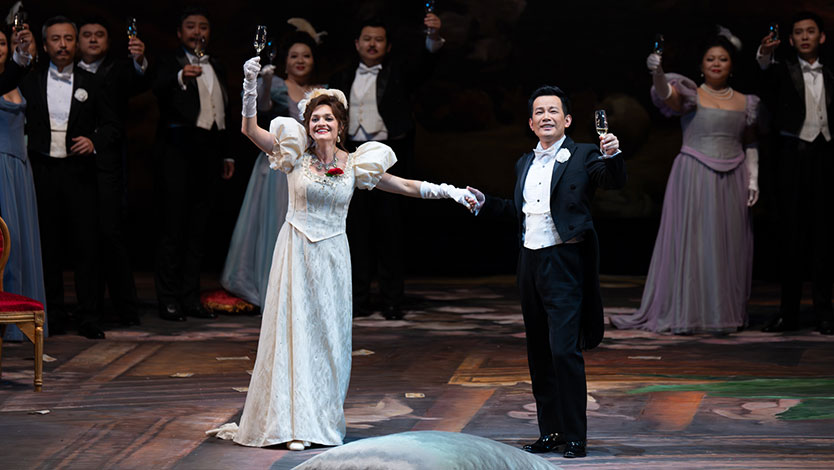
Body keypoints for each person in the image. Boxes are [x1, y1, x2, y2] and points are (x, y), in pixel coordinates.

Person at [223, 57, 474, 451]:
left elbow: (405, 186)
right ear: (308, 125)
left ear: (340, 126)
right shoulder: (294, 155)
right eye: (315, 119)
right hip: (295, 253)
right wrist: (249, 85)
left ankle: (319, 422)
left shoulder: (356, 164)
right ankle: (291, 425)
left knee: (329, 342)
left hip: (333, 259)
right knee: (293, 335)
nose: (321, 123)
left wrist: (451, 192)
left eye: (328, 118)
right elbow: (249, 130)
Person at [467, 86, 625, 458]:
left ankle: (575, 436)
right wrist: (486, 204)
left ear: (567, 120)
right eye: (539, 112)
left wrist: (613, 155)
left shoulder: (583, 154)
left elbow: (612, 180)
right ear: (531, 123)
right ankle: (550, 431)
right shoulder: (525, 162)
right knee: (538, 352)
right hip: (530, 263)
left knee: (563, 351)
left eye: (553, 111)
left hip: (564, 263)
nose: (546, 117)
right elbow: (520, 211)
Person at [610, 31, 760, 334]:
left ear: (731, 65)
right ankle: (689, 311)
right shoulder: (691, 94)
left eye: (722, 59)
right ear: (701, 65)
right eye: (710, 59)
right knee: (696, 244)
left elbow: (750, 142)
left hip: (733, 178)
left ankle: (721, 313)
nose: (716, 63)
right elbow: (667, 95)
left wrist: (754, 178)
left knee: (727, 246)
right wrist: (658, 73)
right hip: (695, 176)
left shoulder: (747, 102)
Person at [329, 14, 444, 320]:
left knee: (390, 231)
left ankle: (392, 299)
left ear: (388, 46)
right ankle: (357, 299)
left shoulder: (399, 73)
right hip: (351, 158)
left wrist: (432, 37)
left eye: (378, 39)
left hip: (388, 158)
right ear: (357, 43)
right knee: (355, 231)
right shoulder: (341, 78)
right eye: (367, 39)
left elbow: (426, 66)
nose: (372, 44)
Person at [19, 16, 120, 339]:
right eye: (55, 39)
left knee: (86, 245)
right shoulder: (31, 80)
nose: (62, 45)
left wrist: (94, 141)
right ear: (44, 44)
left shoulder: (93, 82)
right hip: (43, 171)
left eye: (68, 39)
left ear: (75, 44)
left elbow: (112, 125)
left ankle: (89, 316)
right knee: (48, 245)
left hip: (80, 173)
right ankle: (53, 314)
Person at [220, 25, 321, 309]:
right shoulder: (275, 85)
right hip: (279, 168)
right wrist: (261, 81)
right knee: (277, 226)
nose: (300, 61)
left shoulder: (322, 92)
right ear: (285, 61)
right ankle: (275, 291)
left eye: (306, 56)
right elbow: (262, 107)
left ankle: (305, 293)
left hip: (310, 167)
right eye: (294, 56)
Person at [151, 6, 234, 322]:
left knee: (199, 229)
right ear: (179, 32)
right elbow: (156, 87)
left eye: (203, 26)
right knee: (173, 227)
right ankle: (168, 298)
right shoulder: (168, 63)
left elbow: (224, 111)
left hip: (209, 152)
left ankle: (190, 297)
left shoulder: (218, 65)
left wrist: (227, 154)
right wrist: (179, 77)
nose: (197, 32)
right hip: (177, 151)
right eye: (190, 26)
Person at [757, 12, 834, 335]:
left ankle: (824, 313)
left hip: (825, 158)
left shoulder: (830, 72)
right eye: (798, 32)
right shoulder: (782, 70)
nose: (804, 37)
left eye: (810, 31)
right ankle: (788, 314)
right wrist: (765, 54)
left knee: (824, 238)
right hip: (793, 157)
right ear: (790, 39)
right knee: (791, 237)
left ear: (821, 37)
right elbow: (764, 75)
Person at [77, 17, 149, 326]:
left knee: (111, 232)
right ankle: (87, 310)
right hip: (73, 162)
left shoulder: (118, 69)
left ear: (109, 41)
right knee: (84, 237)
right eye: (87, 35)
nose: (93, 40)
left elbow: (139, 81)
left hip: (109, 160)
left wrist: (139, 61)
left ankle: (126, 308)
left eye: (99, 35)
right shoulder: (66, 71)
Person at [0, 24, 46, 342]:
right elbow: (7, 80)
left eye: (2, 43)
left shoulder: (21, 78)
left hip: (20, 168)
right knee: (7, 243)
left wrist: (26, 53)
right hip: (1, 165)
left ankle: (25, 319)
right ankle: (7, 323)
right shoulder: (8, 78)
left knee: (23, 242)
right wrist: (21, 58)